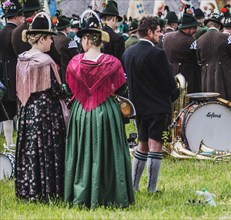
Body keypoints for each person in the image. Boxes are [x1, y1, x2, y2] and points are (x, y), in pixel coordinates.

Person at [64, 9, 134, 208]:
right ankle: (111, 194)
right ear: (99, 39)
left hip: (82, 113)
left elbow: (71, 88)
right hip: (107, 111)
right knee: (109, 151)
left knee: (82, 151)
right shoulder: (113, 63)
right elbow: (121, 87)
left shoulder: (74, 63)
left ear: (86, 39)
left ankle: (82, 192)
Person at [15, 12, 67, 202]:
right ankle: (49, 191)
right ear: (42, 38)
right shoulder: (45, 61)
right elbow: (56, 89)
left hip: (28, 110)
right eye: (50, 38)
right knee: (46, 149)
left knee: (30, 149)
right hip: (46, 112)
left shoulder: (22, 58)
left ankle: (29, 189)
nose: (52, 42)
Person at [123, 16, 178, 193]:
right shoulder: (157, 53)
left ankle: (134, 186)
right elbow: (169, 84)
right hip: (157, 108)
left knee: (142, 144)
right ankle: (151, 189)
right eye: (158, 31)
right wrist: (175, 93)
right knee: (155, 147)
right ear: (149, 32)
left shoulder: (128, 53)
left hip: (138, 108)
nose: (160, 35)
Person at [192, 13, 231, 104]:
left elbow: (199, 62)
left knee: (210, 105)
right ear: (219, 26)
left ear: (207, 25)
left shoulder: (198, 41)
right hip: (225, 78)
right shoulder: (227, 37)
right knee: (228, 106)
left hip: (207, 79)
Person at [0, 0, 23, 151]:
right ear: (16, 16)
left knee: (6, 110)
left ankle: (9, 141)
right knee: (20, 107)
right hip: (16, 74)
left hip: (2, 74)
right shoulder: (17, 33)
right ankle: (20, 140)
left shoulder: (1, 32)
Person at [11, 0, 60, 65]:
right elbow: (53, 53)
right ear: (35, 13)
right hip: (42, 68)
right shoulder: (41, 29)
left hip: (22, 69)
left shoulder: (15, 32)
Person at [163, 12, 201, 93]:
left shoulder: (167, 36)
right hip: (187, 77)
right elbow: (197, 59)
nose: (196, 30)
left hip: (170, 74)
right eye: (194, 28)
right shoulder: (190, 41)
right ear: (187, 28)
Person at [53, 14, 79, 82]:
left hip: (55, 76)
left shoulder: (53, 39)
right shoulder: (69, 40)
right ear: (66, 28)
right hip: (67, 76)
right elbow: (77, 58)